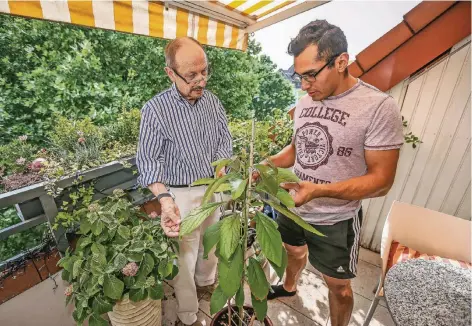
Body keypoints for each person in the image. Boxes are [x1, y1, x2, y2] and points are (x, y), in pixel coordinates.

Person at [262, 20, 403, 326]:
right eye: (299, 76)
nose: (304, 85)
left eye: (310, 75)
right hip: (293, 207)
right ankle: (289, 287)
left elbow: (382, 181)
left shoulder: (378, 107)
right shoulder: (304, 103)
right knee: (294, 253)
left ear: (341, 61)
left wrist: (318, 191)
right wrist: (266, 165)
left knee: (338, 288)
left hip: (336, 220)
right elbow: (295, 150)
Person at [136, 37, 232, 326]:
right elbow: (148, 160)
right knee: (183, 260)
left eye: (204, 71)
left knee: (211, 246)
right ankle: (188, 315)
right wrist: (165, 200)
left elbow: (225, 140)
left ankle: (207, 283)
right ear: (171, 73)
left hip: (212, 188)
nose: (200, 80)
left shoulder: (213, 102)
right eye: (191, 75)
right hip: (179, 195)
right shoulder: (155, 110)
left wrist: (222, 168)